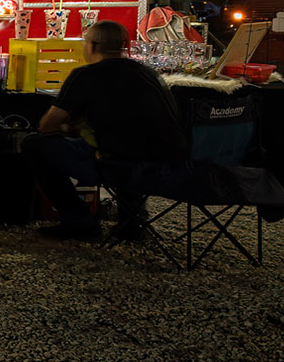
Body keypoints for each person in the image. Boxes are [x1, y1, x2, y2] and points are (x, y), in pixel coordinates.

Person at [23, 20, 188, 241]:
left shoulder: (85, 75)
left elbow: (47, 126)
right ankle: (132, 223)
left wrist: (70, 129)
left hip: (115, 165)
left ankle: (79, 222)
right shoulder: (148, 74)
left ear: (91, 46)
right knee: (130, 142)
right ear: (124, 46)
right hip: (165, 166)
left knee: (34, 145)